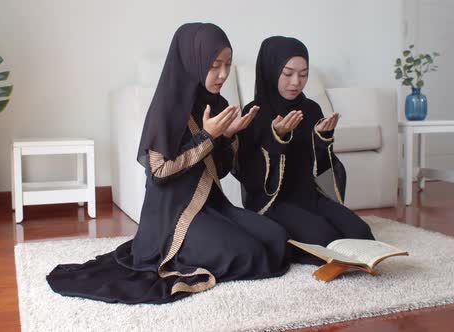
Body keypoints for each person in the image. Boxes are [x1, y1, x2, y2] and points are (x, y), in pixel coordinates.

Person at [46, 23, 290, 304]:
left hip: (211, 207)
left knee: (275, 237)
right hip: (172, 219)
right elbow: (160, 171)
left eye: (228, 65)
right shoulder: (168, 106)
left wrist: (228, 136)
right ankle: (181, 254)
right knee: (250, 254)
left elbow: (221, 170)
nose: (223, 74)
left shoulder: (217, 103)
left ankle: (212, 242)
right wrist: (208, 136)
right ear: (194, 61)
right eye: (214, 65)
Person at [235, 36, 375, 266]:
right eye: (288, 73)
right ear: (271, 70)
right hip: (273, 203)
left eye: (303, 74)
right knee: (324, 238)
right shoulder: (255, 113)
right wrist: (276, 140)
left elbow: (321, 172)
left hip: (310, 196)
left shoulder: (310, 109)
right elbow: (248, 175)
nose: (296, 82)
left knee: (361, 233)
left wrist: (322, 141)